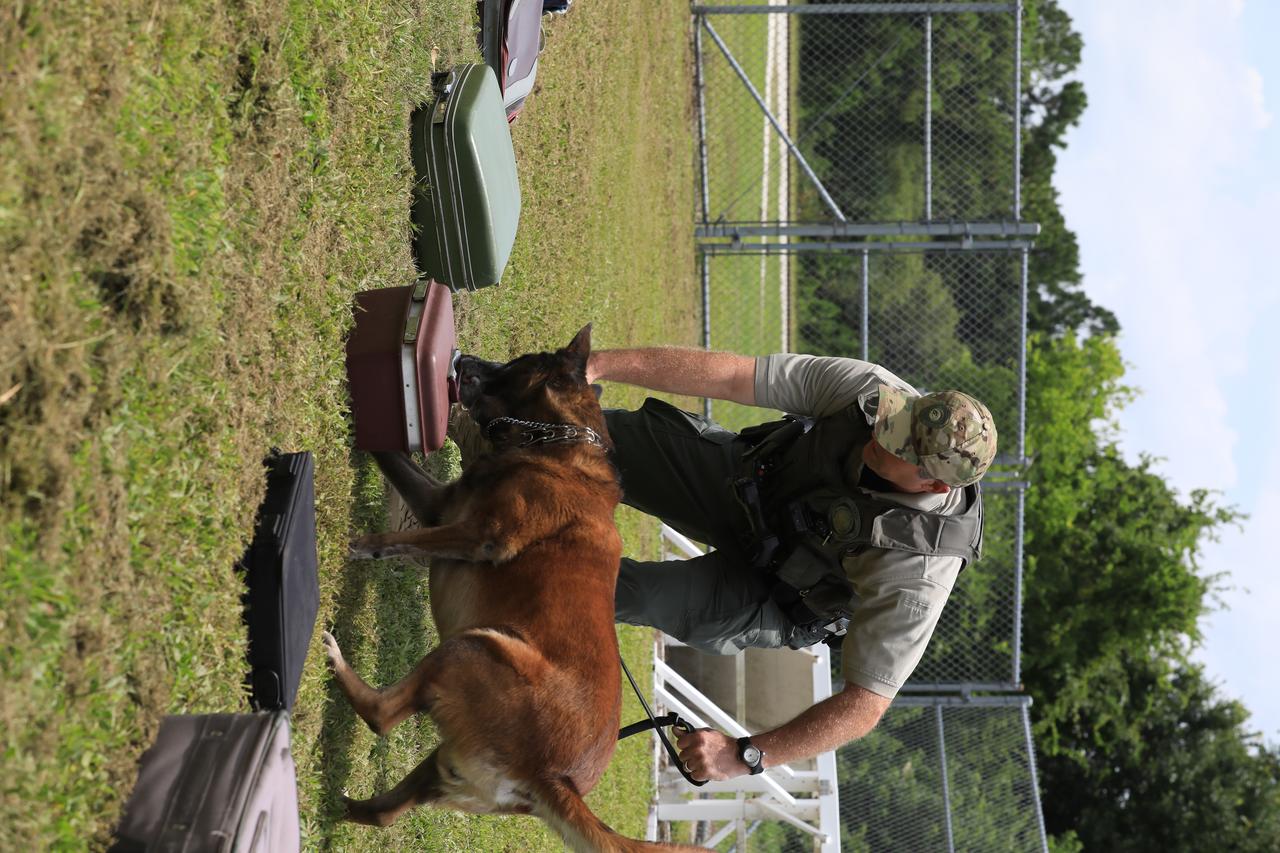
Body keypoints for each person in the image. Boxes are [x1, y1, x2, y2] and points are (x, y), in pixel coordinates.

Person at [585, 346, 997, 783]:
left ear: (931, 483)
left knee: (624, 592)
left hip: (772, 593)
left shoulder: (918, 572)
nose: (881, 430)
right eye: (897, 419)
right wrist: (598, 365)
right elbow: (737, 378)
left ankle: (508, 582)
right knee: (587, 435)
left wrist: (743, 755)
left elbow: (865, 704)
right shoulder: (870, 393)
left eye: (898, 444)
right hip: (750, 489)